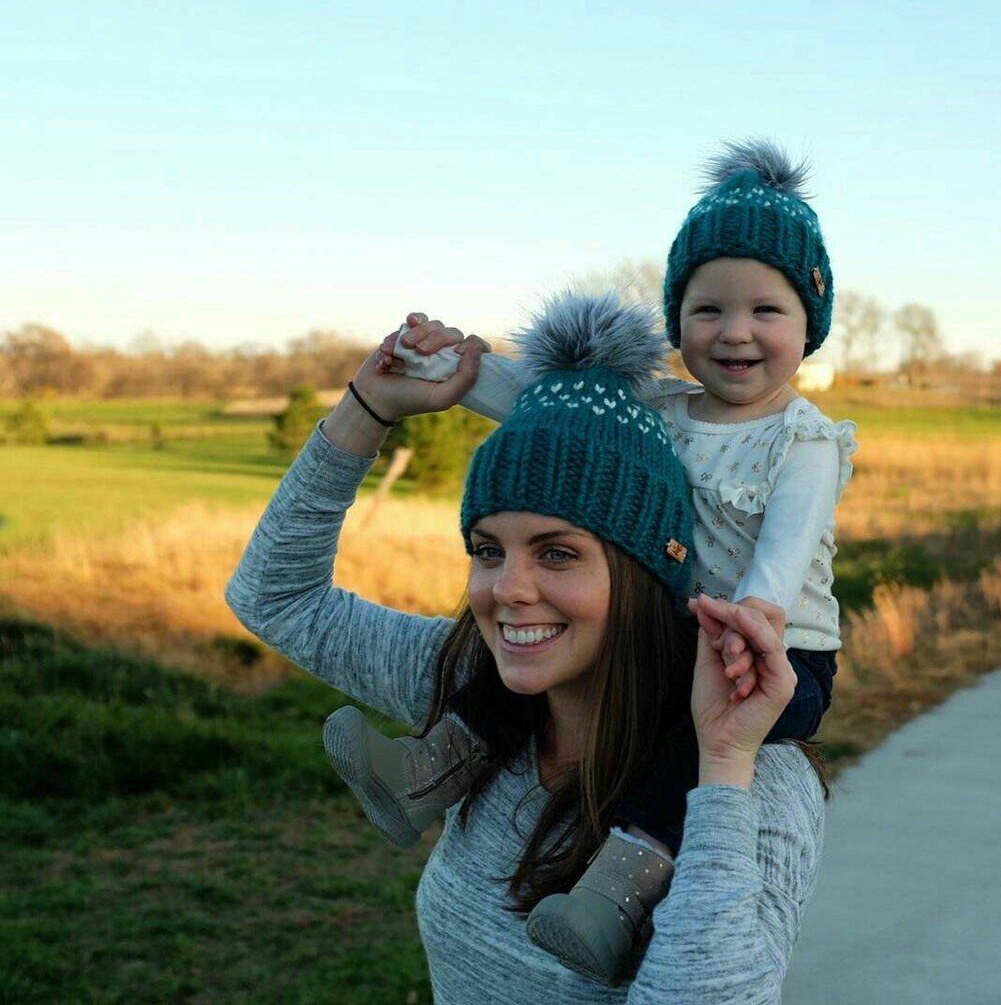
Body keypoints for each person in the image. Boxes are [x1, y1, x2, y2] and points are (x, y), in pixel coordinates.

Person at [326, 139, 856, 983]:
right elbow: (545, 404)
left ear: (812, 324)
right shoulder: (662, 404)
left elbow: (785, 552)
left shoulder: (805, 441)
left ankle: (615, 894)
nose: (735, 333)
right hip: (676, 632)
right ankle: (431, 768)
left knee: (686, 739)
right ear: (677, 317)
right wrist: (454, 368)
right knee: (522, 668)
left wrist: (751, 619)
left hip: (778, 650)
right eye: (708, 309)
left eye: (767, 311)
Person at [225, 291, 826, 1003]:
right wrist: (369, 405)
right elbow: (274, 597)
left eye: (557, 554)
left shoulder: (750, 785)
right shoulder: (471, 687)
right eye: (487, 550)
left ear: (643, 569)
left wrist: (723, 765)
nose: (507, 589)